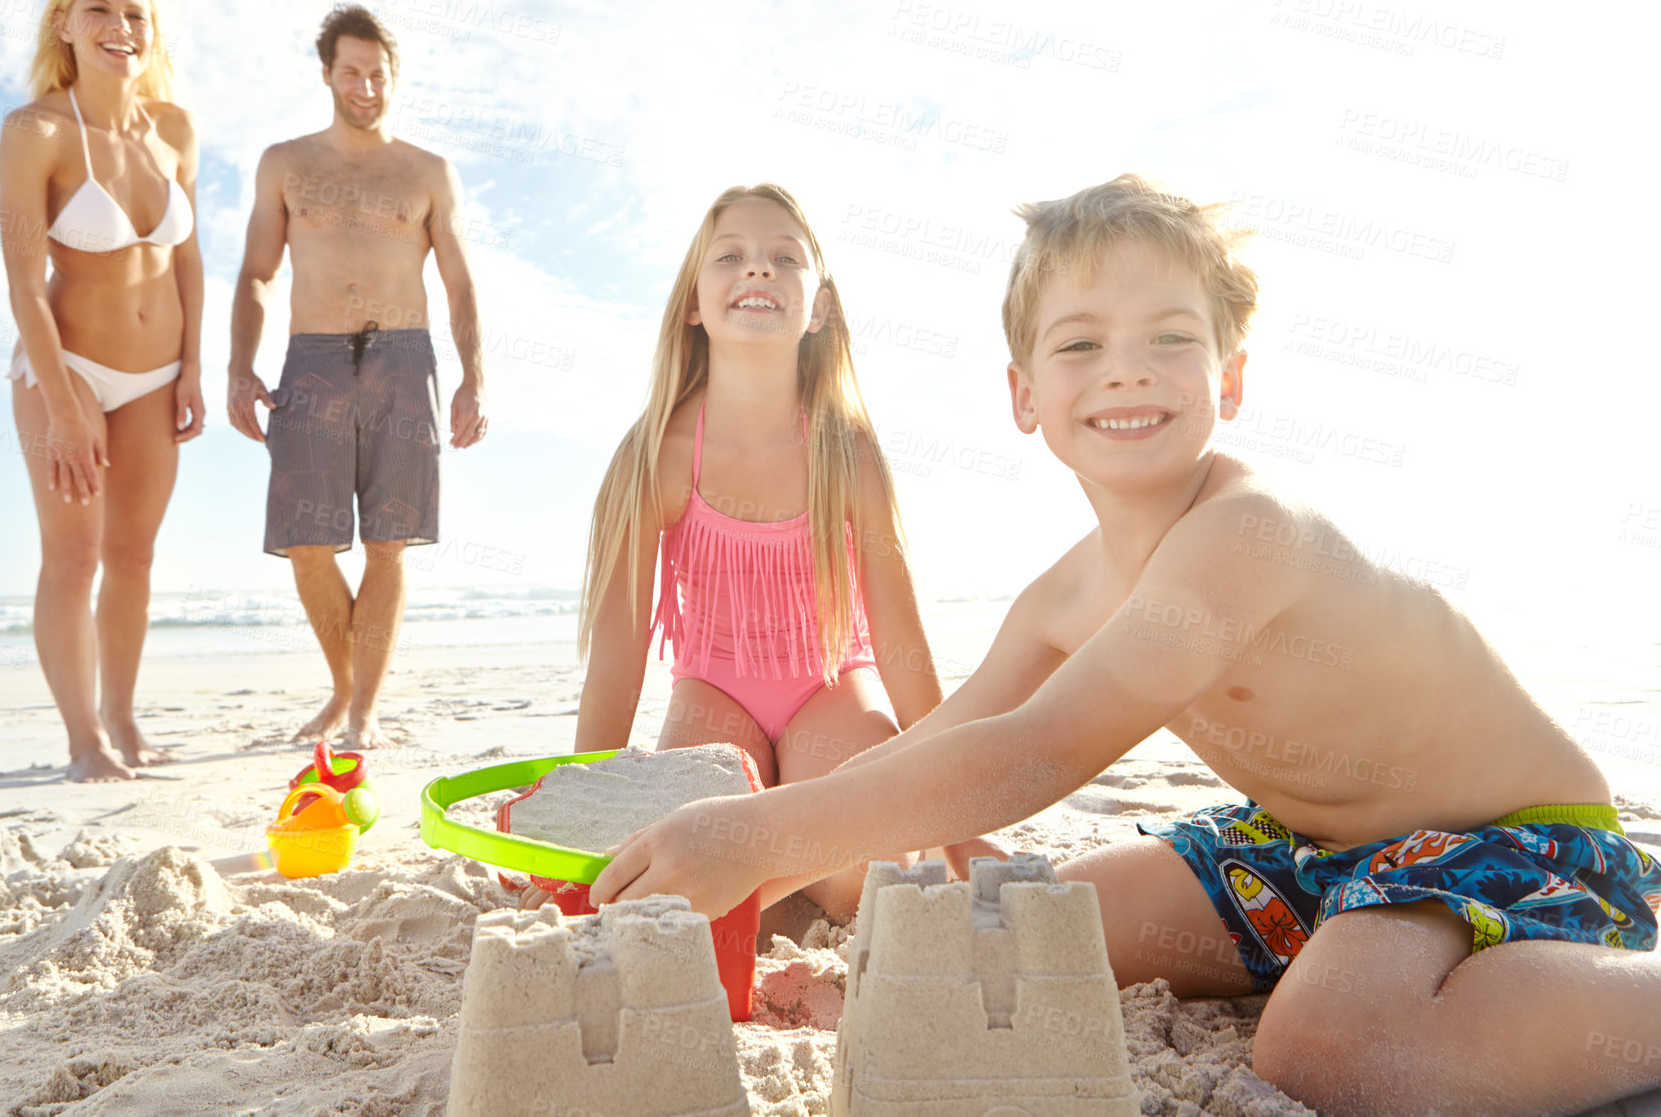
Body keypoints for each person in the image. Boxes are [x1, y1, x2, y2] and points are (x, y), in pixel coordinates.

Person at [591, 175, 1661, 1116]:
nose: (1126, 371)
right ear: (1024, 392)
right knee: (1029, 922)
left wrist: (761, 833)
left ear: (1228, 377)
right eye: (1080, 342)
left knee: (1327, 1047)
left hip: (1504, 842)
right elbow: (940, 744)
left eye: (1169, 337)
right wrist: (772, 848)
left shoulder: (1249, 530)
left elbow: (1038, 752)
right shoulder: (1063, 592)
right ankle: (1332, 941)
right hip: (1298, 847)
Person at [568, 184, 942, 919]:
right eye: (731, 255)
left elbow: (902, 644)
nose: (759, 270)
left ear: (820, 308)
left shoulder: (848, 450)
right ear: (694, 305)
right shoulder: (658, 454)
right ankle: (781, 832)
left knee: (864, 884)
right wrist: (585, 800)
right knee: (685, 885)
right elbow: (619, 648)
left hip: (833, 686)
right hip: (715, 695)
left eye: (785, 258)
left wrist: (955, 814)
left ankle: (790, 833)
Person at [228, 6, 486, 750]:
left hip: (404, 355)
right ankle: (345, 686)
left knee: (389, 541)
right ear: (327, 74)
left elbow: (461, 284)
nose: (366, 87)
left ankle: (362, 710)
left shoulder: (428, 171)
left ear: (392, 75)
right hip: (310, 357)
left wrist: (475, 378)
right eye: (352, 72)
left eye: (378, 74)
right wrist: (239, 367)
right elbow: (254, 273)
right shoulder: (285, 163)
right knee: (306, 543)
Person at [0, 0, 203, 783]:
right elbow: (21, 278)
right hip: (67, 363)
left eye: (136, 14)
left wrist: (194, 367)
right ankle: (84, 741)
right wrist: (62, 404)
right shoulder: (36, 130)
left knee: (134, 557)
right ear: (66, 25)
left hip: (159, 376)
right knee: (73, 557)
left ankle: (123, 716)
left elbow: (189, 258)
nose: (122, 26)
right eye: (100, 10)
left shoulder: (176, 130)